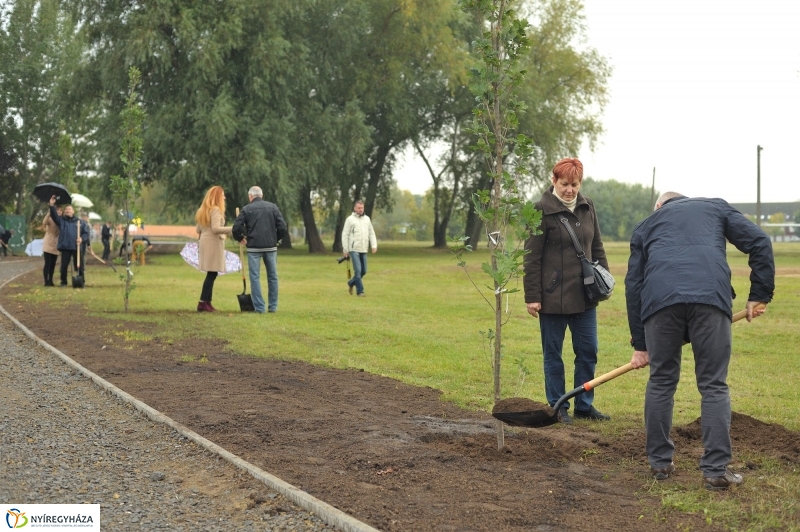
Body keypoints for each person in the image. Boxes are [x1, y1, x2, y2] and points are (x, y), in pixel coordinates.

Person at [626, 192, 774, 490]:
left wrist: (641, 344)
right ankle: (716, 471)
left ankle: (659, 464)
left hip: (660, 304)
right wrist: (759, 292)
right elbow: (759, 241)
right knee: (713, 384)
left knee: (662, 380)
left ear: (659, 206)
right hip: (710, 301)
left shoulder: (647, 223)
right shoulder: (714, 207)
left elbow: (634, 285)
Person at [522, 158, 611, 424]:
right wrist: (533, 296)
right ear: (554, 181)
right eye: (564, 184)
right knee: (554, 355)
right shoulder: (540, 210)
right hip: (552, 298)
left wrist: (604, 279)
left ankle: (584, 406)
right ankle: (558, 406)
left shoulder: (587, 206)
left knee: (588, 351)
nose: (570, 190)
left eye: (574, 184)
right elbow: (531, 257)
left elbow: (596, 247)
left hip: (585, 297)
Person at [232, 186, 286, 313]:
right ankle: (273, 306)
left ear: (250, 196)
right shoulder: (273, 207)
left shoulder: (246, 209)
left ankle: (259, 307)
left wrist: (240, 238)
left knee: (255, 277)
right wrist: (275, 238)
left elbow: (236, 228)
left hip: (254, 247)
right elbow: (282, 226)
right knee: (272, 277)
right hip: (270, 247)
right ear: (261, 195)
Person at [194, 186, 233, 312]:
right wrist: (232, 229)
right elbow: (216, 229)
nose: (224, 198)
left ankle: (207, 302)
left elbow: (198, 230)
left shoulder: (203, 210)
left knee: (212, 272)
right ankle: (202, 302)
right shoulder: (216, 210)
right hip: (213, 243)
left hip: (205, 242)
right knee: (212, 273)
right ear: (217, 197)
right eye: (222, 195)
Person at [49, 196, 90, 286]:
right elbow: (54, 216)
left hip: (77, 247)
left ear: (73, 211)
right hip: (65, 247)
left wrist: (82, 239)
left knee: (79, 266)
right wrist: (52, 205)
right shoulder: (61, 221)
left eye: (70, 209)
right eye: (66, 209)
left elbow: (86, 233)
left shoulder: (80, 222)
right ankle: (63, 282)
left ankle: (81, 281)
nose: (68, 211)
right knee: (64, 266)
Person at [341, 200, 377, 297]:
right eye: (359, 208)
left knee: (364, 271)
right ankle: (360, 291)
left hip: (364, 248)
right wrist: (345, 249)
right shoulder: (350, 219)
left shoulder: (367, 219)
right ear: (355, 208)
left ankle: (351, 283)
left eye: (362, 208)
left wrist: (374, 245)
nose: (361, 210)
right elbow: (345, 234)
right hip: (354, 248)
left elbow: (371, 233)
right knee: (358, 270)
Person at [42, 207, 61, 286]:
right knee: (47, 263)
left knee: (53, 263)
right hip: (48, 242)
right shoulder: (50, 219)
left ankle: (51, 280)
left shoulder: (61, 220)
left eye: (60, 211)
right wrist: (49, 213)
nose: (59, 212)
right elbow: (44, 222)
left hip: (56, 243)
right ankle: (46, 281)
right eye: (57, 210)